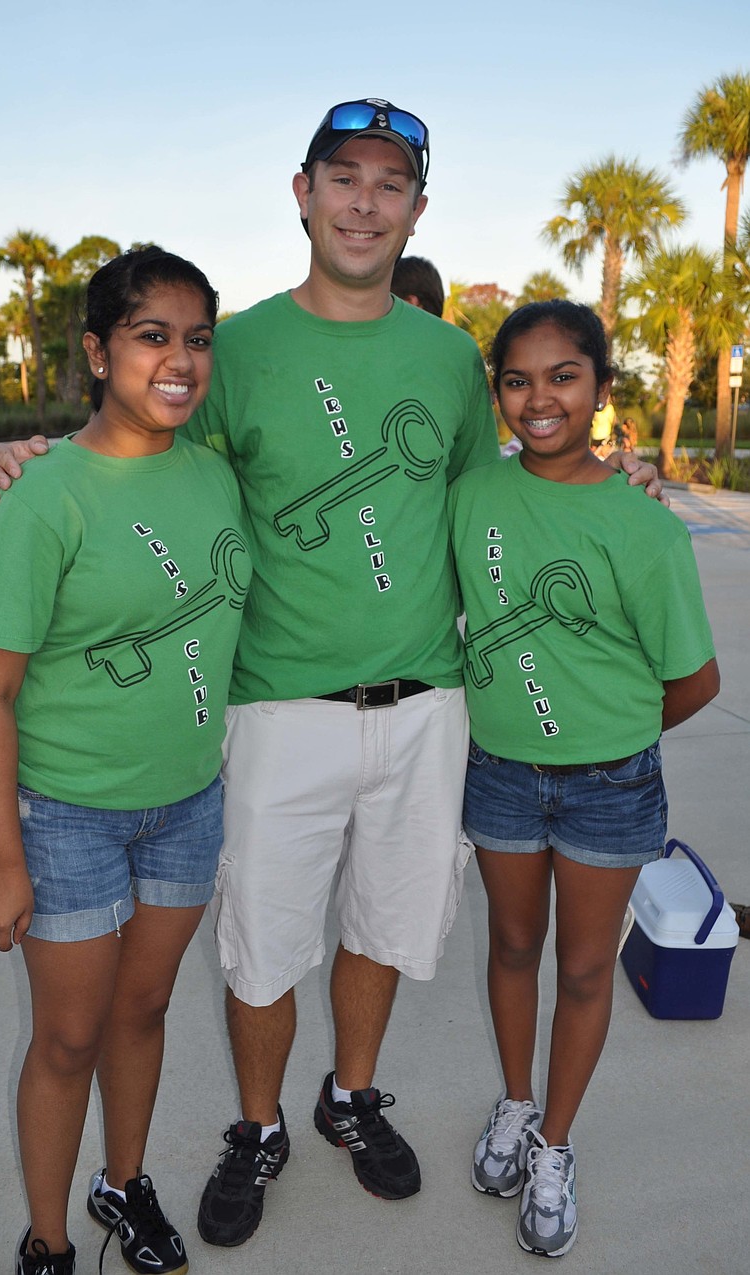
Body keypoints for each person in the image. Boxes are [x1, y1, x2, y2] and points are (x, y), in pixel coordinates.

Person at [0, 100, 665, 1250]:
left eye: (388, 185)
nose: (363, 201)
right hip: (271, 709)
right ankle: (258, 1126)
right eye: (341, 177)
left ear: (416, 211)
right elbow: (141, 449)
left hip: (424, 704)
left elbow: (487, 486)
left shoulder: (452, 358)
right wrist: (27, 455)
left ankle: (351, 1095)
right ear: (301, 193)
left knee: (382, 927)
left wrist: (610, 485)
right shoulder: (230, 346)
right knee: (263, 938)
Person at [0, 247, 250, 1275]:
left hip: (188, 803)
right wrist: (4, 858)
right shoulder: (46, 498)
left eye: (196, 339)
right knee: (68, 1040)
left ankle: (123, 1187)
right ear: (98, 351)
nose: (179, 360)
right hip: (66, 815)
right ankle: (46, 1242)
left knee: (143, 1011)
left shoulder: (214, 474)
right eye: (151, 335)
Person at [447, 300, 719, 1258]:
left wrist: (612, 743)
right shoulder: (472, 493)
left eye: (563, 376)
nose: (539, 398)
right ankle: (516, 1106)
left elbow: (696, 680)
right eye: (517, 380)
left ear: (602, 390)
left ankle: (556, 1145)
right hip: (502, 778)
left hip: (610, 786)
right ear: (499, 394)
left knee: (583, 968)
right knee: (514, 948)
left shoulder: (642, 527)